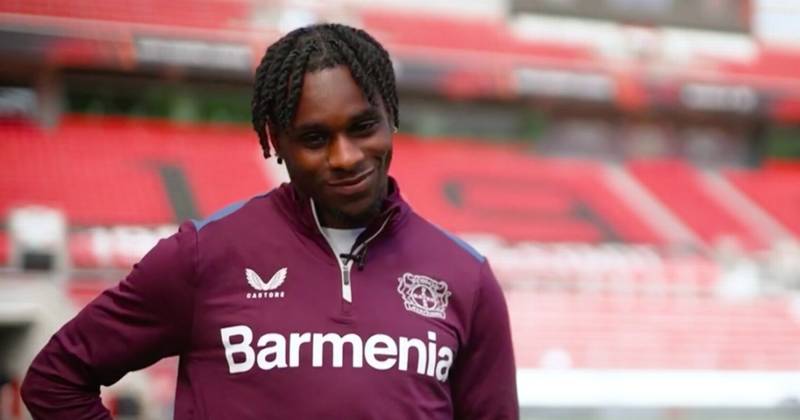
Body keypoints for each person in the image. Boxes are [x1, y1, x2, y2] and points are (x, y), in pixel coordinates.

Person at [21, 23, 518, 419]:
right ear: (276, 141)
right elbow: (56, 380)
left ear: (392, 117)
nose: (346, 157)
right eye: (315, 138)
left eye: (363, 127)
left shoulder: (466, 278)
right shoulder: (204, 255)